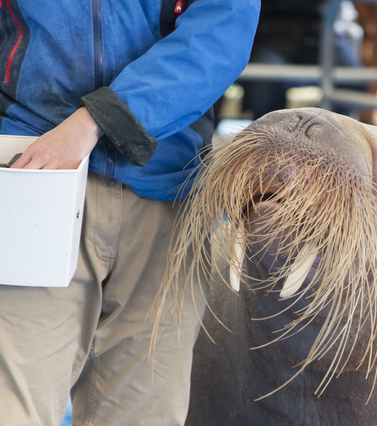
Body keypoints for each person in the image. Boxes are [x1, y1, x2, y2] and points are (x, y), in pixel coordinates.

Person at [0, 1, 259, 425]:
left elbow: (223, 29)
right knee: (12, 409)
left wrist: (95, 120)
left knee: (144, 413)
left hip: (167, 188)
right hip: (33, 177)